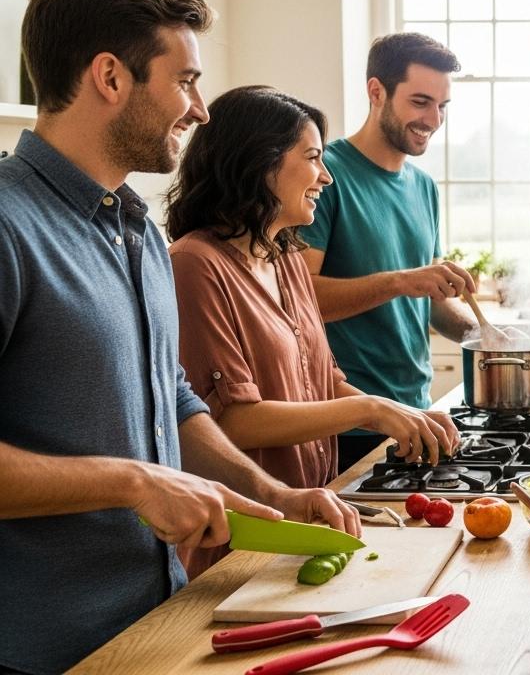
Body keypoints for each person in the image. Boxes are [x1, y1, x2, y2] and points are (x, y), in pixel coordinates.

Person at [0, 0, 357, 675]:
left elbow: (175, 399)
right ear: (110, 77)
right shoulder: (9, 225)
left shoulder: (136, 228)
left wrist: (272, 493)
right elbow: (142, 468)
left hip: (163, 618)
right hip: (41, 650)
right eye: (185, 81)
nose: (199, 110)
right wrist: (134, 482)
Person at [164, 86, 460, 578]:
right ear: (260, 163)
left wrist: (398, 413)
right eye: (312, 158)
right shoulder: (194, 265)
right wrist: (371, 408)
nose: (325, 176)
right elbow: (232, 421)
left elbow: (324, 379)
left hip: (310, 516)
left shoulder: (285, 259)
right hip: (245, 538)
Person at [298, 33, 480, 472]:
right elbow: (302, 303)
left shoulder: (423, 187)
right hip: (347, 424)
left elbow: (431, 303)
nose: (433, 119)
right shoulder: (324, 175)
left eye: (442, 106)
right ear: (376, 91)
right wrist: (402, 281)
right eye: (420, 102)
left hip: (416, 414)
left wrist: (487, 338)